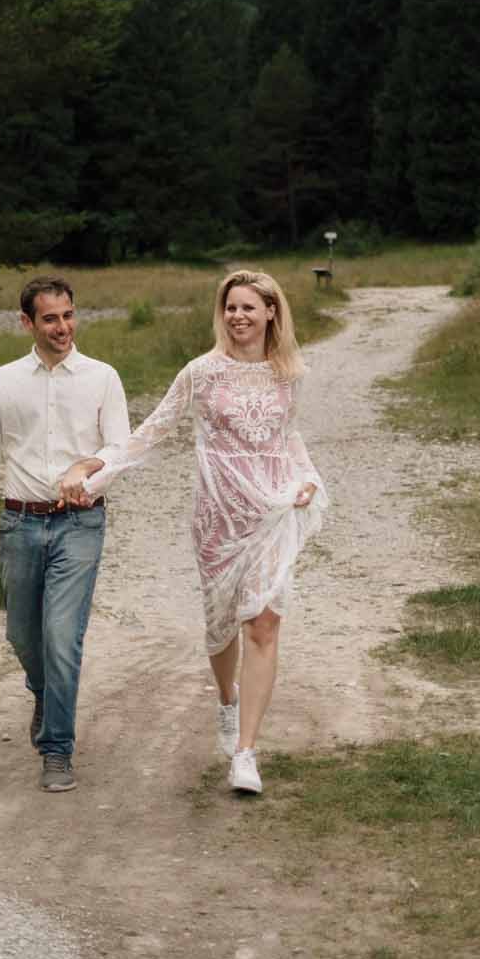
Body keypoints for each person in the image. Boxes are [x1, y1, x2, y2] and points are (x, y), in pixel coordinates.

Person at [60, 266, 325, 797]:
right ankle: (226, 700)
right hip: (218, 517)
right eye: (231, 307)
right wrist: (98, 471)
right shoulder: (200, 373)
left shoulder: (289, 371)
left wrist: (308, 478)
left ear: (271, 312)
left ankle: (246, 754)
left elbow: (288, 436)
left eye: (249, 307)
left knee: (264, 624)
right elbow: (151, 431)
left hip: (273, 511)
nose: (238, 316)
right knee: (223, 626)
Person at [0, 275, 131, 791]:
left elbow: (122, 450)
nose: (63, 327)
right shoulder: (5, 380)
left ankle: (57, 749)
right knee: (22, 634)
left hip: (80, 524)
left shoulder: (103, 378)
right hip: (19, 522)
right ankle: (44, 691)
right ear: (27, 323)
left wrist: (89, 466)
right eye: (51, 318)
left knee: (61, 638)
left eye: (69, 315)